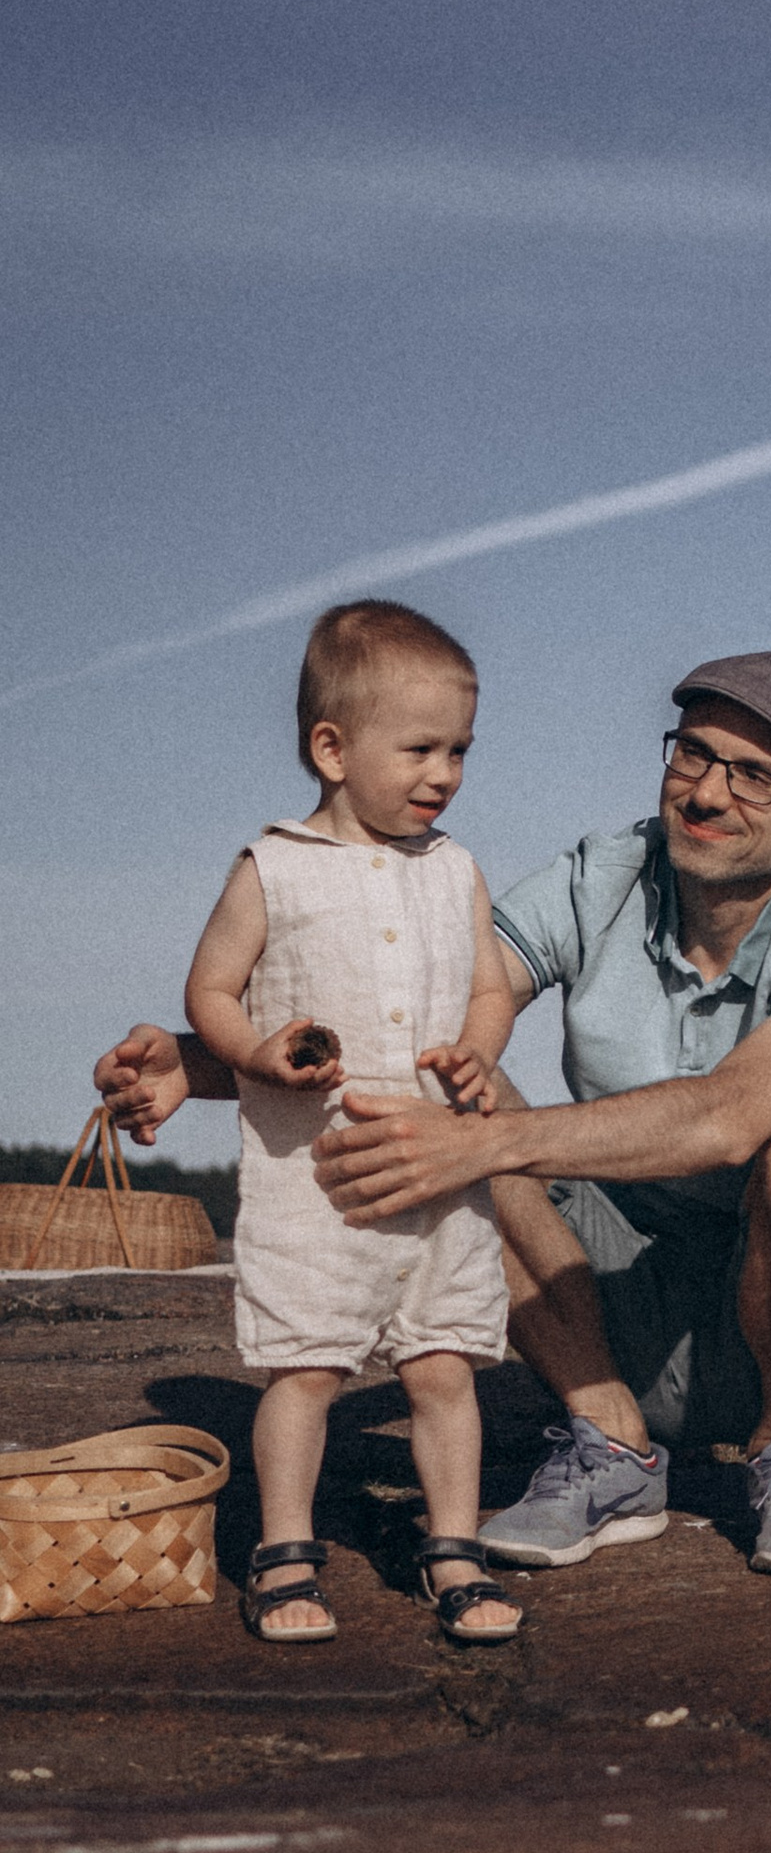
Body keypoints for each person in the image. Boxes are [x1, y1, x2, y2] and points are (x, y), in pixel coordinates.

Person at [99, 644, 771, 1581]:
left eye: (756, 777)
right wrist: (199, 1064)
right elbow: (414, 1013)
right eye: (693, 753)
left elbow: (729, 1118)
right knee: (456, 1067)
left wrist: (484, 1145)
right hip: (613, 1309)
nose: (708, 793)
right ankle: (613, 1442)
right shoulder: (604, 874)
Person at [179, 597, 523, 1647]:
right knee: (308, 1369)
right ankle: (285, 1548)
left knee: (443, 1365)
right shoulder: (274, 865)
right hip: (315, 1176)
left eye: (459, 749)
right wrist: (256, 1051)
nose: (444, 773)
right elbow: (211, 990)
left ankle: (453, 1546)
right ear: (332, 749)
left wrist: (478, 1051)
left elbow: (491, 987)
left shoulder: (455, 869)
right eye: (420, 748)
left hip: (436, 1177)